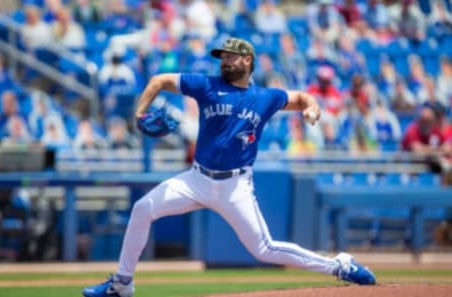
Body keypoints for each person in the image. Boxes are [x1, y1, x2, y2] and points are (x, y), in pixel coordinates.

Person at [82, 37, 376, 297]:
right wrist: (139, 112)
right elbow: (159, 80)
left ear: (247, 60)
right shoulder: (206, 85)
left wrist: (312, 107)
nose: (224, 60)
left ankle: (339, 265)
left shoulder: (264, 97)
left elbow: (300, 98)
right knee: (142, 209)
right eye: (221, 56)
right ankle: (122, 283)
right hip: (196, 179)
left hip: (235, 186)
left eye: (230, 56)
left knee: (265, 250)